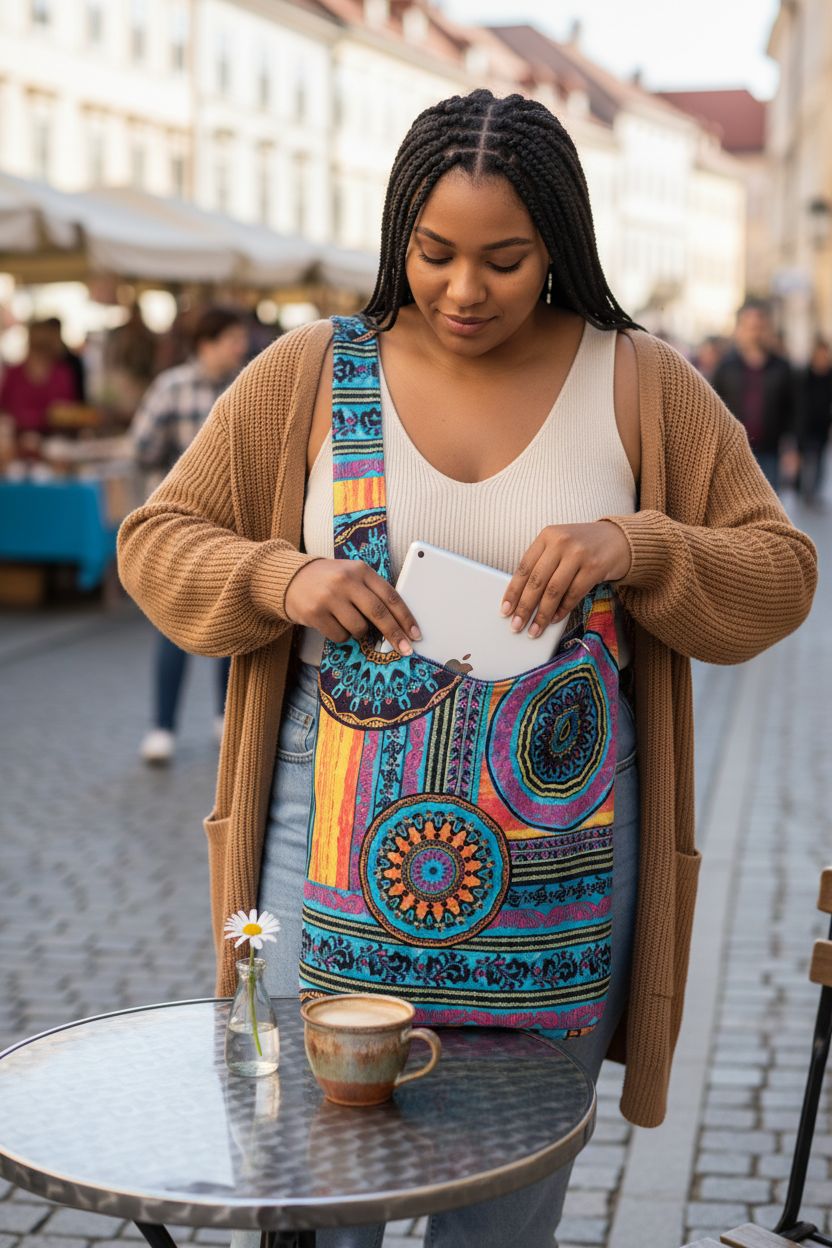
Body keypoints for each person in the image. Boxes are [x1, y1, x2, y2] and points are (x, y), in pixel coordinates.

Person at [118, 90, 817, 1247]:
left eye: (504, 259)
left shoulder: (638, 382)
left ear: (559, 247)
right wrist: (282, 580)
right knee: (312, 1188)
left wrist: (637, 544)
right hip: (321, 847)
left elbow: (778, 574)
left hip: (567, 875)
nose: (461, 289)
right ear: (398, 235)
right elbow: (157, 539)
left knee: (506, 1214)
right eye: (432, 253)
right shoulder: (308, 373)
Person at [129, 306, 248, 765]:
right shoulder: (171, 387)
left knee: (227, 619)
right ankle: (162, 728)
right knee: (170, 626)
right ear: (207, 343)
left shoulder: (245, 386)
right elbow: (140, 447)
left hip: (231, 528)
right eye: (233, 339)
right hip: (178, 526)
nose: (240, 347)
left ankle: (224, 718)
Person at [712, 299, 794, 490]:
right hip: (734, 454)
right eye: (750, 327)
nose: (755, 333)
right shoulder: (726, 367)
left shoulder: (781, 367)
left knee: (768, 511)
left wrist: (791, 448)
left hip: (770, 452)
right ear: (739, 329)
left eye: (759, 327)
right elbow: (713, 409)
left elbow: (793, 409)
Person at [0, 319, 79, 444]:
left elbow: (66, 412)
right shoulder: (14, 373)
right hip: (17, 442)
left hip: (54, 442)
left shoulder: (62, 373)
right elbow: (4, 409)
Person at [796, 338, 832, 507]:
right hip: (806, 425)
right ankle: (805, 491)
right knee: (807, 458)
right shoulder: (805, 374)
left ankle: (814, 491)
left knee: (819, 461)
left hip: (822, 425)